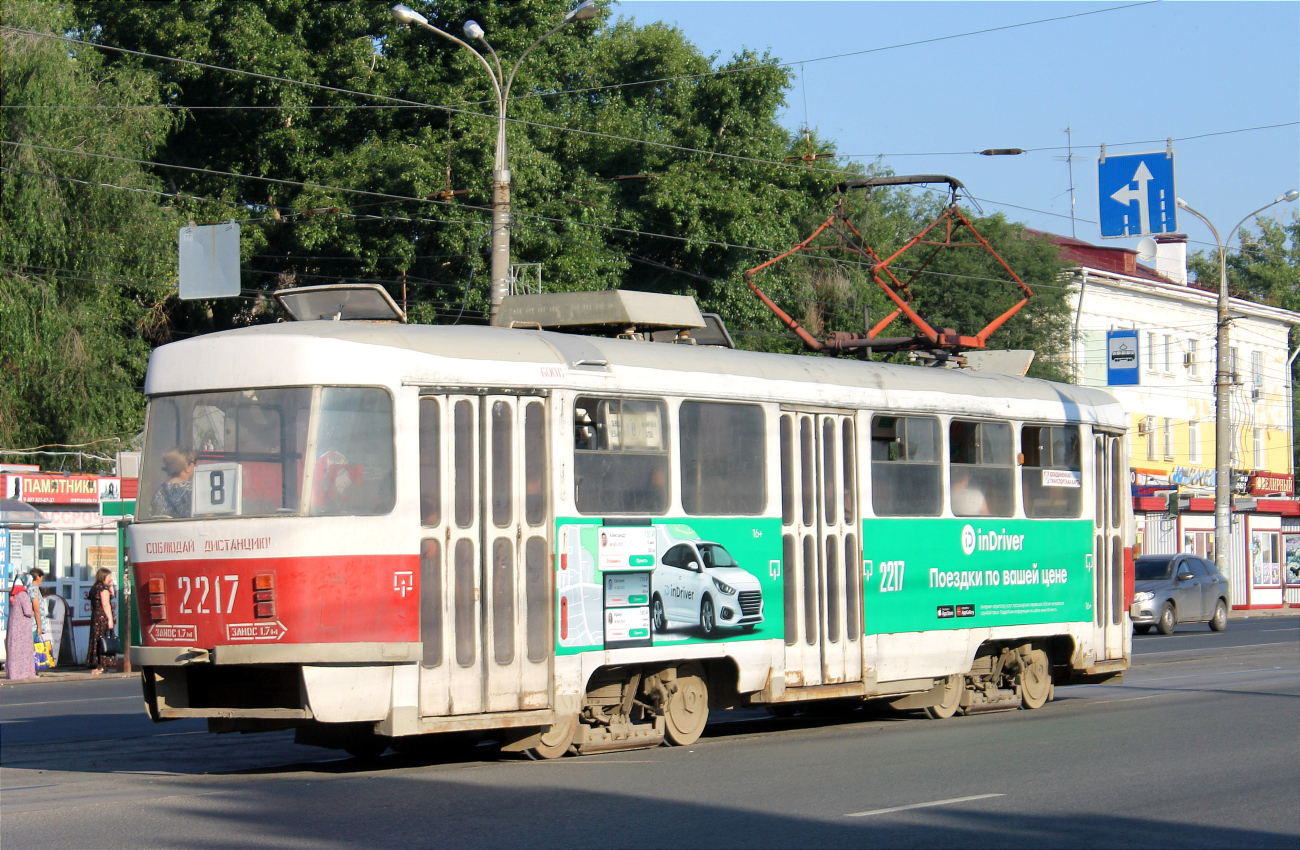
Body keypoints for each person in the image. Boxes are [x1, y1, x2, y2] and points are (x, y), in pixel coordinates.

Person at [5, 569, 42, 681]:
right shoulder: (22, 594)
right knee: (24, 651)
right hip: (23, 628)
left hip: (13, 627)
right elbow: (28, 611)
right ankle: (24, 673)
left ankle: (13, 673)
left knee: (14, 651)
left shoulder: (14, 594)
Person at [85, 567, 116, 674]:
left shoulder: (95, 588)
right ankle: (101, 665)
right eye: (109, 576)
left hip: (95, 616)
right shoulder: (103, 589)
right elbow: (105, 604)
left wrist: (111, 587)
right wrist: (110, 619)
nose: (110, 578)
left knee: (97, 640)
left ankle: (99, 665)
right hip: (102, 617)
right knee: (104, 640)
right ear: (104, 577)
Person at [151, 446, 196, 518]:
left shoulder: (159, 491)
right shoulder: (191, 490)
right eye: (194, 462)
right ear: (187, 467)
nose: (195, 465)